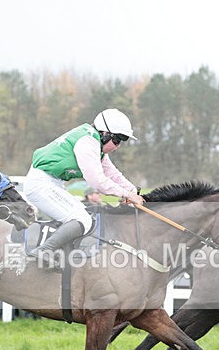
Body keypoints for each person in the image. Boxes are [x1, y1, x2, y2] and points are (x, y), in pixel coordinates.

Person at [23, 108, 144, 266]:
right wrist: (125, 195)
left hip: (52, 182)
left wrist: (133, 191)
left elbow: (113, 174)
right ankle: (44, 250)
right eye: (117, 140)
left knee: (85, 217)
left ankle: (57, 251)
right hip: (41, 183)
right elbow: (97, 181)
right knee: (82, 219)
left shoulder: (94, 142)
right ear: (105, 133)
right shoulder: (87, 142)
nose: (118, 146)